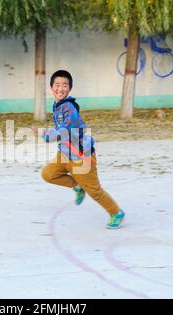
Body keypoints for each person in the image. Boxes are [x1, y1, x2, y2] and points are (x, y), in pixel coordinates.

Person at [32, 70, 125, 229]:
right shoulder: (58, 105)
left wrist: (44, 134)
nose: (60, 88)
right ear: (51, 87)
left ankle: (116, 212)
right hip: (66, 153)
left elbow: (65, 131)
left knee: (94, 191)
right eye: (57, 85)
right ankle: (77, 186)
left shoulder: (68, 107)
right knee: (48, 174)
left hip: (82, 156)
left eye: (65, 85)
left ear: (69, 88)